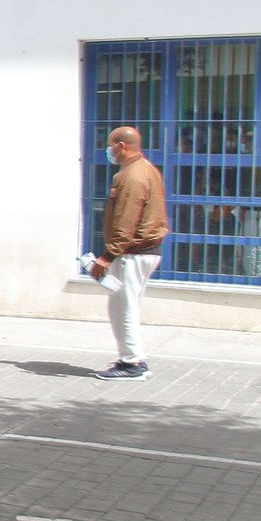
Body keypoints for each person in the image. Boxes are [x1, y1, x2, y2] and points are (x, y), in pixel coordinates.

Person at [90, 126, 168, 380]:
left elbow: (125, 222)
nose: (108, 150)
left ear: (121, 146)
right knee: (123, 306)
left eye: (109, 144)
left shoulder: (132, 176)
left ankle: (131, 364)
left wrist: (107, 256)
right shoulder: (145, 169)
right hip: (141, 251)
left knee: (123, 308)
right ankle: (131, 359)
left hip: (132, 253)